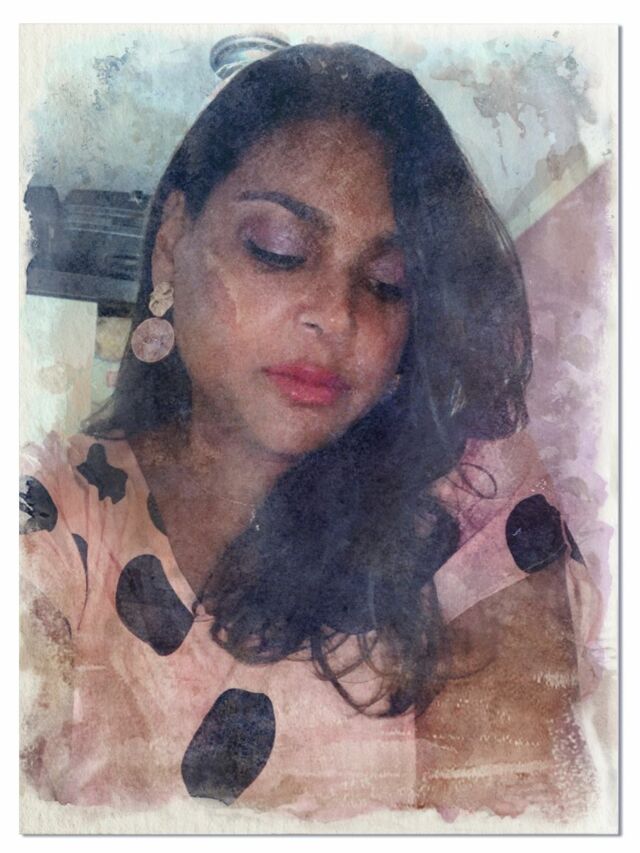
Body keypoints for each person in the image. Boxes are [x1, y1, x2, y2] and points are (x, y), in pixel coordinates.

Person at [20, 40, 602, 822]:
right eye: (280, 250)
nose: (336, 313)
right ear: (170, 245)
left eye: (387, 283)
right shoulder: (52, 511)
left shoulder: (473, 496)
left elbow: (519, 815)